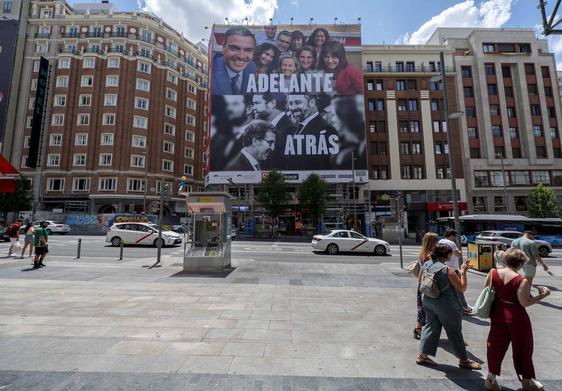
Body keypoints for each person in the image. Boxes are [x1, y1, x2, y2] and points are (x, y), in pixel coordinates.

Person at [484, 248, 550, 391]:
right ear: (520, 264)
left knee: (495, 346)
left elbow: (488, 290)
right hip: (516, 317)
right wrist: (543, 295)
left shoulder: (493, 272)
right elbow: (525, 302)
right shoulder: (521, 280)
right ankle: (527, 381)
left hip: (497, 312)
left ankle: (491, 378)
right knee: (523, 347)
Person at [416, 244, 481, 369]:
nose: (451, 255)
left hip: (428, 300)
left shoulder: (426, 264)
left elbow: (420, 281)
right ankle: (464, 360)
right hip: (445, 305)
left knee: (431, 327)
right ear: (446, 255)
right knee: (454, 332)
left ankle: (422, 355)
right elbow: (462, 288)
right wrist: (464, 271)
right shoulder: (447, 270)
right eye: (450, 253)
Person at [284, 94, 339, 170]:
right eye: (290, 103)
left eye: (298, 102)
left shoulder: (326, 130)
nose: (293, 108)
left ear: (312, 102)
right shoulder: (296, 128)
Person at [211, 27, 257, 95]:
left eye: (248, 50)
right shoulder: (211, 70)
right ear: (223, 47)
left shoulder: (252, 67)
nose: (241, 56)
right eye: (234, 48)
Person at [252, 93, 295, 163]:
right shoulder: (267, 126)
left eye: (257, 103)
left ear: (272, 103)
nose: (254, 108)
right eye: (253, 104)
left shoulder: (289, 128)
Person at [438, 229, 472, 314]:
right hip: (453, 269)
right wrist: (459, 250)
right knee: (459, 289)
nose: (455, 238)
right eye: (455, 236)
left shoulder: (440, 242)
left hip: (442, 267)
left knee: (447, 289)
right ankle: (464, 307)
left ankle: (451, 307)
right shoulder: (451, 243)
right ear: (452, 235)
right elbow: (458, 254)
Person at [414, 232, 439, 340]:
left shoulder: (422, 253)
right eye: (436, 240)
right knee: (431, 310)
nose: (438, 242)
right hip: (430, 285)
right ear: (432, 242)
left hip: (422, 284)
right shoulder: (430, 255)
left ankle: (418, 329)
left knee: (422, 308)